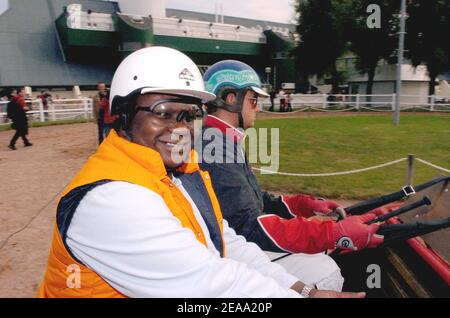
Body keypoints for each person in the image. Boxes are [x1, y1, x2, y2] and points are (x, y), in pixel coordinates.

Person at [37, 47, 364, 298]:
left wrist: (304, 290)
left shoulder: (175, 174)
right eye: (163, 112)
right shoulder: (111, 198)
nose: (178, 128)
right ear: (122, 114)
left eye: (188, 115)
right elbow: (212, 283)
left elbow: (224, 240)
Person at [200, 60, 384, 290]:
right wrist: (332, 232)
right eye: (253, 99)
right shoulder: (217, 146)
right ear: (230, 99)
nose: (257, 107)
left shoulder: (219, 139)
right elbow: (248, 225)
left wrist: (305, 205)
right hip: (231, 251)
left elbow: (253, 199)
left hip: (233, 241)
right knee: (325, 271)